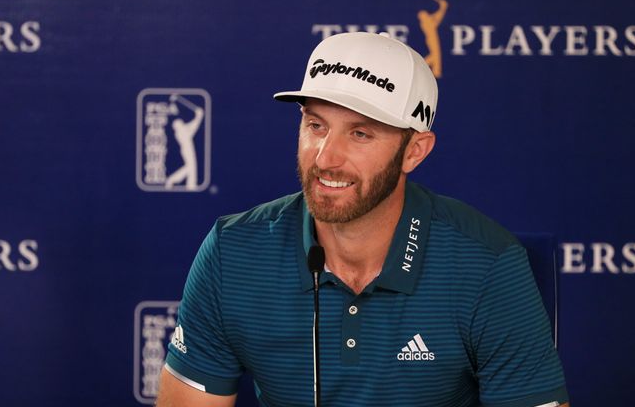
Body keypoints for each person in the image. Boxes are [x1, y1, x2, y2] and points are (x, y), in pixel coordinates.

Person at [156, 32, 569, 407]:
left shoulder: (487, 266)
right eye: (315, 125)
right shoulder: (233, 252)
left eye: (360, 134)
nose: (325, 158)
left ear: (415, 151)